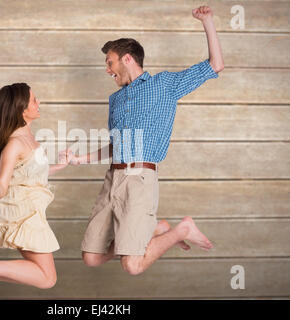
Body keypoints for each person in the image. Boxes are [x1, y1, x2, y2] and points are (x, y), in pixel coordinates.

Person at [68, 6, 224, 275]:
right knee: (91, 257)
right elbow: (117, 145)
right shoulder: (115, 99)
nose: (107, 70)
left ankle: (181, 230)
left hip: (140, 180)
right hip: (113, 179)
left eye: (110, 62)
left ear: (127, 59)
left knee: (132, 264)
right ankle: (154, 230)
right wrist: (79, 159)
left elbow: (215, 65)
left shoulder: (163, 85)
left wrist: (207, 21)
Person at [0, 83, 71, 294]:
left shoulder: (28, 137)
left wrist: (59, 165)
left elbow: (31, 174)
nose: (39, 103)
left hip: (33, 211)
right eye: (34, 100)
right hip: (24, 214)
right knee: (47, 278)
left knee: (47, 277)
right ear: (22, 110)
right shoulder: (15, 143)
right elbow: (2, 189)